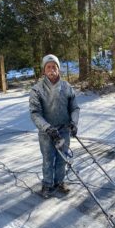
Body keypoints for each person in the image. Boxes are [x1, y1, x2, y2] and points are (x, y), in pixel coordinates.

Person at [29, 54, 80, 197]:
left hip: (64, 130)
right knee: (48, 159)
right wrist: (47, 128)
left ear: (58, 69)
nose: (52, 69)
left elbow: (75, 108)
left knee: (62, 158)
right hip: (47, 133)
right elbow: (35, 113)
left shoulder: (66, 87)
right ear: (44, 70)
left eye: (54, 66)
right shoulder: (37, 89)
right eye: (48, 67)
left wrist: (74, 123)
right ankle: (47, 184)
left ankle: (59, 182)